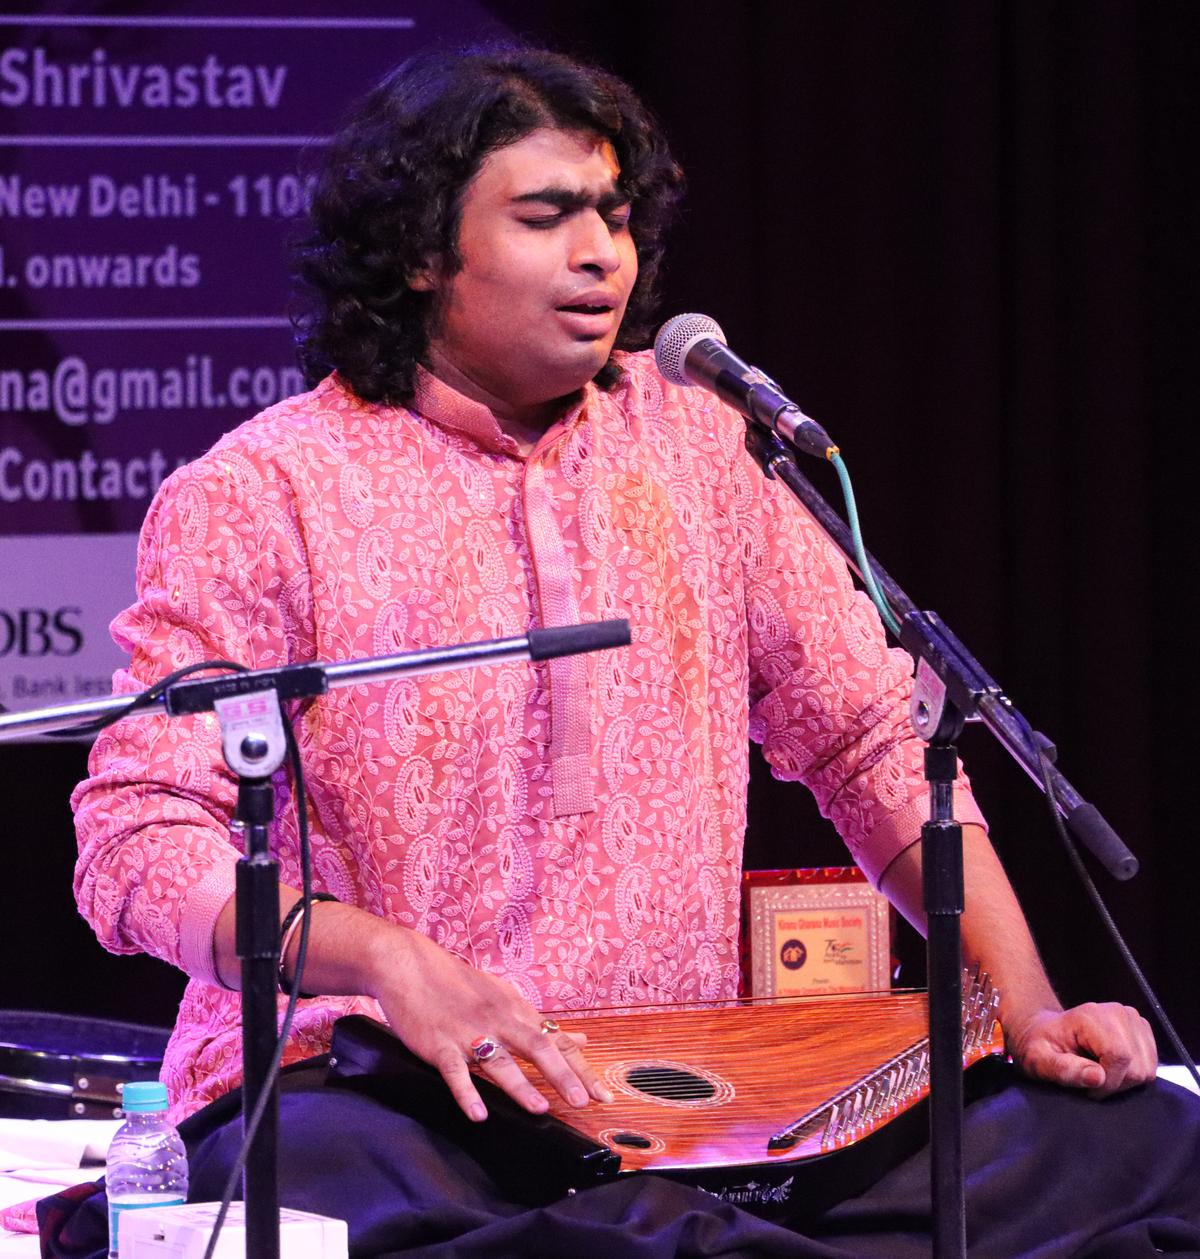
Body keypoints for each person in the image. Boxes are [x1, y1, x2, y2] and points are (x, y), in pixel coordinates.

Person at [69, 43, 1198, 1258]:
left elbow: (869, 739)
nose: (600, 250)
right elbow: (139, 846)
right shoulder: (262, 492)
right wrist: (383, 961)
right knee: (476, 1214)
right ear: (415, 251)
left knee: (1141, 1148)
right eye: (545, 215)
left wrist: (1020, 1006)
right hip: (386, 1098)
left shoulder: (705, 453)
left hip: (692, 1103)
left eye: (613, 212)